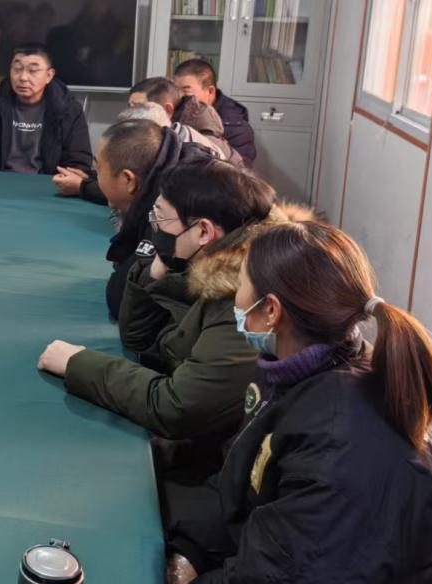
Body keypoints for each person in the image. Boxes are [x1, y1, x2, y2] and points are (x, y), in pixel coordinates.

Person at [165, 221, 432, 584]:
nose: (235, 298)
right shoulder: (294, 374)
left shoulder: (343, 439)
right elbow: (239, 482)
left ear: (271, 311)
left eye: (241, 285)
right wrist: (189, 551)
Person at [40, 161, 304, 457]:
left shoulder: (244, 300)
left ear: (203, 231)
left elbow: (177, 407)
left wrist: (78, 363)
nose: (155, 226)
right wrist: (155, 272)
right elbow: (140, 338)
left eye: (161, 217)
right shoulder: (209, 262)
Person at [86, 119, 213, 318]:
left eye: (99, 169)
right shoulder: (180, 168)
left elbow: (122, 300)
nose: (96, 176)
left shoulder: (171, 209)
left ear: (128, 180)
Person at [0, 43, 92, 175]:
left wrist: (56, 183)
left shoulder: (69, 110)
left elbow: (78, 162)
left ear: (49, 75)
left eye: (33, 71)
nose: (23, 78)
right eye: (17, 69)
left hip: (47, 184)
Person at [129, 77, 242, 166]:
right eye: (130, 106)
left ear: (168, 109)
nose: (131, 113)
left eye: (140, 107)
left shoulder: (199, 144)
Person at [173, 58, 257, 166]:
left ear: (210, 91)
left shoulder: (235, 127)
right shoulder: (175, 110)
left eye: (186, 92)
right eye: (175, 91)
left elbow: (240, 171)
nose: (178, 97)